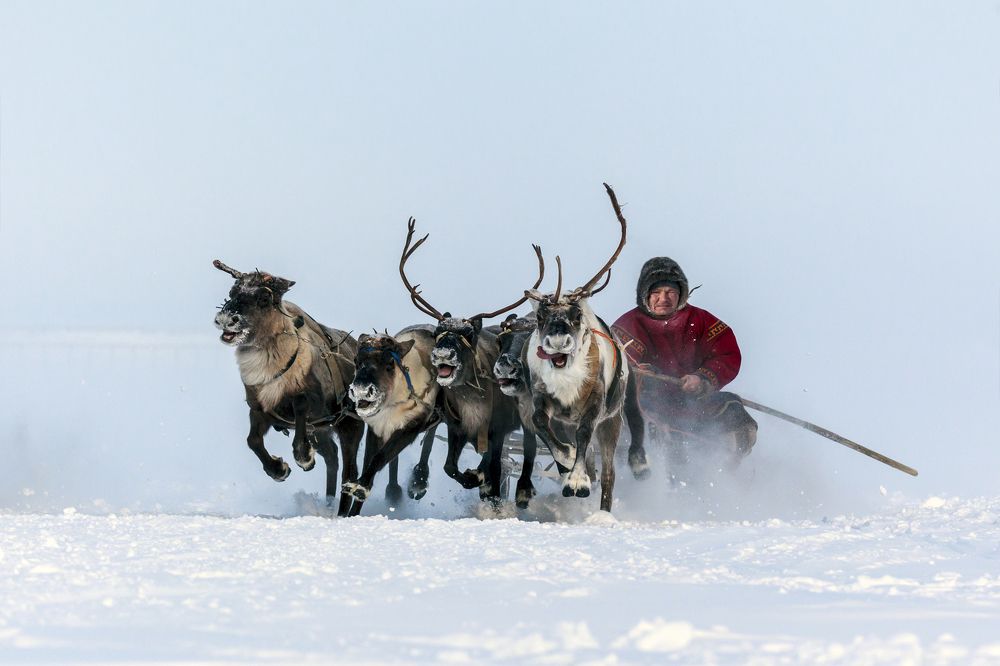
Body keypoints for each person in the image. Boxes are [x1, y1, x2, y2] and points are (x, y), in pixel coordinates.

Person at [612, 257, 757, 468]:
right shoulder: (627, 326)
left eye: (670, 292)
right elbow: (614, 362)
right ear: (645, 294)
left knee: (733, 409)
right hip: (646, 406)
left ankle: (725, 471)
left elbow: (726, 354)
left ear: (681, 294)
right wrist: (638, 373)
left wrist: (703, 378)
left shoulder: (700, 320)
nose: (664, 298)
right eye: (656, 293)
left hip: (693, 403)